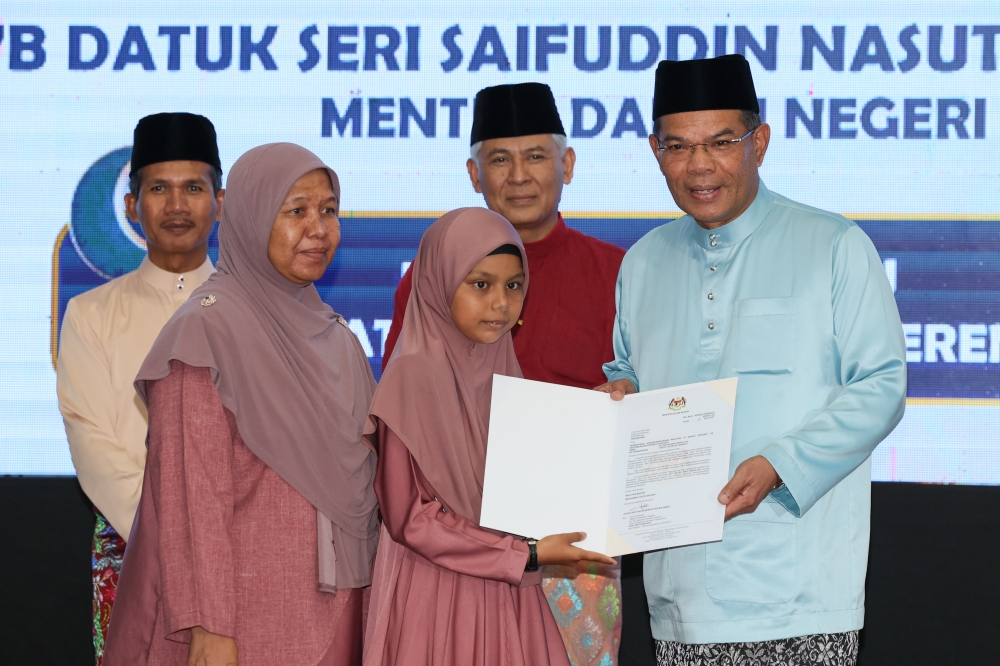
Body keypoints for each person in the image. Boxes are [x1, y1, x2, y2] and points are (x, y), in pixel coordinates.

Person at [597, 54, 907, 665]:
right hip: (678, 594)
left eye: (721, 142)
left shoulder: (834, 245)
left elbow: (882, 384)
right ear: (655, 152)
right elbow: (626, 368)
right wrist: (621, 394)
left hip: (800, 593)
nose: (699, 165)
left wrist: (780, 464)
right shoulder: (642, 262)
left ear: (758, 142)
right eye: (677, 147)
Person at [103, 143, 378, 666]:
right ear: (251, 216)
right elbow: (193, 500)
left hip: (343, 610)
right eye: (295, 211)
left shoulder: (336, 338)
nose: (318, 229)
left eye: (328, 211)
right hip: (245, 622)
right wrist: (210, 627)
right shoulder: (204, 334)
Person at [383, 82, 628, 666]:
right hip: (457, 545)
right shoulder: (432, 276)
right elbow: (408, 420)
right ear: (474, 173)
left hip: (578, 545)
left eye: (536, 155)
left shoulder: (619, 273)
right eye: (499, 159)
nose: (519, 176)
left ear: (568, 164)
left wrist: (630, 395)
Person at [57, 112, 224, 665]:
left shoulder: (253, 313)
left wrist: (221, 545)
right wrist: (174, 543)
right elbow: (94, 447)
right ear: (131, 205)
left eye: (193, 188)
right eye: (158, 189)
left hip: (239, 552)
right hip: (130, 549)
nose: (177, 205)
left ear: (220, 203)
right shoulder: (90, 315)